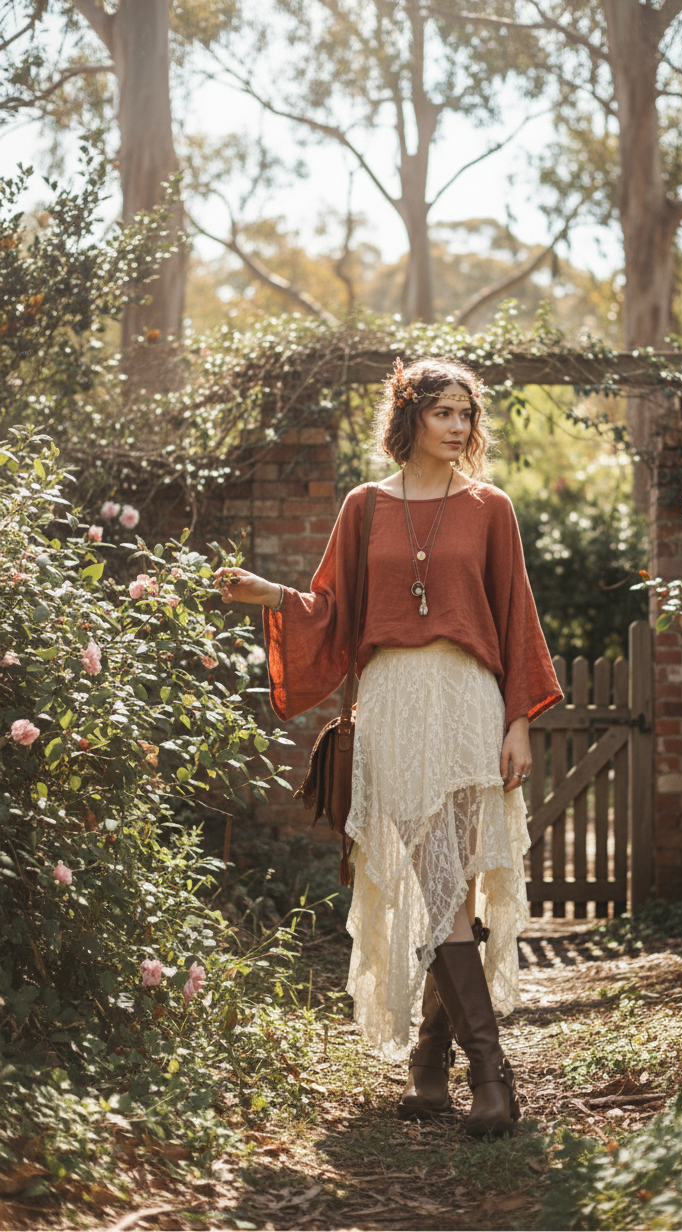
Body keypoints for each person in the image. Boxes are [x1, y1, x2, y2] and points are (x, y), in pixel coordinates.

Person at [216, 357, 563, 1136]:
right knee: (441, 881)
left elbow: (516, 621)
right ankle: (491, 1072)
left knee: (458, 893)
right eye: (444, 412)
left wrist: (520, 722)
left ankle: (430, 1070)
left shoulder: (490, 508)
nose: (460, 427)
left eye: (467, 415)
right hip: (396, 707)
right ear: (408, 418)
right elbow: (332, 608)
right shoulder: (364, 506)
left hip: (471, 704)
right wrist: (273, 596)